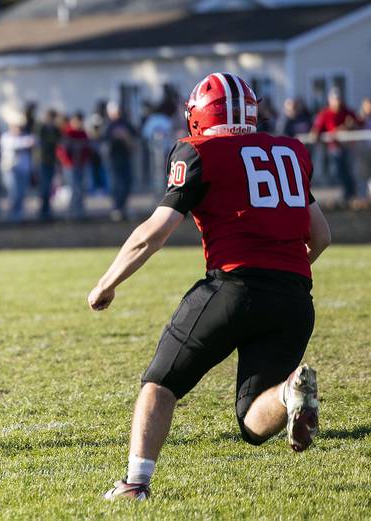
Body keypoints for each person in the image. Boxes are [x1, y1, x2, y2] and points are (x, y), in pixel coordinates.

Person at [87, 72, 331, 501]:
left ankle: (135, 484)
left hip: (234, 286)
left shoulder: (199, 151)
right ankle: (290, 392)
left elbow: (154, 232)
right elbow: (322, 235)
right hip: (295, 297)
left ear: (199, 114)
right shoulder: (291, 150)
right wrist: (284, 274)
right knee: (254, 419)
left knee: (160, 383)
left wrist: (106, 283)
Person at [310, 88, 362, 206]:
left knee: (350, 171)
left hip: (349, 148)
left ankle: (351, 194)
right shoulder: (325, 113)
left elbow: (358, 123)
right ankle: (347, 194)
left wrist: (350, 126)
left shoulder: (347, 111)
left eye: (338, 98)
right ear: (330, 100)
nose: (337, 102)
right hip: (335, 149)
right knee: (340, 171)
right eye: (335, 99)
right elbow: (316, 130)